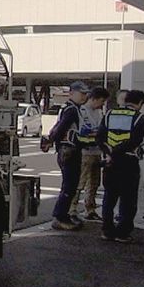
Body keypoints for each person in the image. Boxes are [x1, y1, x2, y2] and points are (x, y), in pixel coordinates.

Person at [98, 89, 144, 242]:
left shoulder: (109, 114)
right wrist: (118, 151)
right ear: (140, 103)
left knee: (109, 197)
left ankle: (107, 230)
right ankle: (123, 233)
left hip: (110, 162)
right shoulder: (140, 117)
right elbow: (135, 141)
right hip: (128, 161)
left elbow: (100, 137)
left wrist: (109, 152)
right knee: (128, 199)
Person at [44, 81, 91, 231]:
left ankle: (62, 216)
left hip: (67, 150)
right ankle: (60, 217)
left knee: (69, 185)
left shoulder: (71, 108)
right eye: (81, 93)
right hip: (69, 151)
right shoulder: (71, 110)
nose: (84, 96)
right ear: (72, 93)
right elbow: (61, 128)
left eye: (85, 94)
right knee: (69, 186)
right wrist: (51, 141)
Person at [115, 89, 144, 224]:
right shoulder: (135, 117)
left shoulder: (115, 115)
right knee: (124, 187)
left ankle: (141, 212)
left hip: (118, 156)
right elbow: (142, 136)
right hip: (127, 155)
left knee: (135, 186)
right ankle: (122, 217)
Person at [70, 87, 109, 222]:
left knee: (94, 182)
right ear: (95, 99)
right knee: (80, 182)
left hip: (97, 151)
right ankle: (72, 209)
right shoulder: (81, 111)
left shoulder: (99, 113)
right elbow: (84, 130)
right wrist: (96, 132)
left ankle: (90, 208)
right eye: (102, 101)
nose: (102, 104)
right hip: (84, 151)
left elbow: (102, 130)